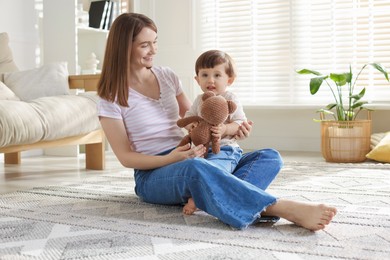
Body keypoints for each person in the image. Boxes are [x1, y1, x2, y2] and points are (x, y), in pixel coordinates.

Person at [97, 12, 337, 231]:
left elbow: (193, 116)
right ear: (124, 48)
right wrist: (172, 158)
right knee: (198, 169)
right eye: (145, 45)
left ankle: (209, 196)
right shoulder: (110, 96)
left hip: (194, 155)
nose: (153, 50)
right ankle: (280, 208)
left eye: (155, 41)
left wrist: (225, 130)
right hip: (154, 174)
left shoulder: (167, 76)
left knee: (269, 157)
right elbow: (126, 157)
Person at [181, 50, 247, 215]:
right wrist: (192, 126)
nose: (210, 80)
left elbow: (240, 122)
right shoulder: (199, 100)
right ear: (197, 80)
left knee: (216, 168)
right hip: (202, 150)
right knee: (194, 167)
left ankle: (199, 198)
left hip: (225, 149)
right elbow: (188, 118)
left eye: (217, 75)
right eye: (205, 75)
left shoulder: (230, 97)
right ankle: (206, 191)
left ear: (229, 80)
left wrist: (225, 129)